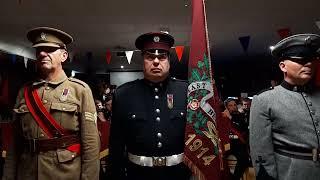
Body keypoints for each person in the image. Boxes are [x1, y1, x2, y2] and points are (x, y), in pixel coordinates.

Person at [3, 27, 100, 180]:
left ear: (64, 55)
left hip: (64, 174)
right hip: (27, 173)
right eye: (39, 50)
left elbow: (91, 145)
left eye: (49, 49)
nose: (42, 53)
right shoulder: (25, 91)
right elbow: (15, 144)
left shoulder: (79, 90)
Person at [109, 32, 191, 180]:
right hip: (137, 174)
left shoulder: (186, 92)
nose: (156, 61)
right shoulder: (124, 94)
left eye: (162, 57)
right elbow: (116, 144)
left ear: (169, 61)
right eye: (150, 57)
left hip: (178, 174)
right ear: (143, 60)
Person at [250, 34, 320, 180]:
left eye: (312, 60)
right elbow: (261, 152)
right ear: (283, 66)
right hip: (291, 173)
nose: (309, 64)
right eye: (301, 59)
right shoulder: (264, 100)